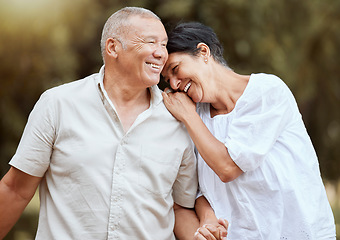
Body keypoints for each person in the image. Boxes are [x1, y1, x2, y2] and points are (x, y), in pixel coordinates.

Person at [0, 8, 228, 240]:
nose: (162, 53)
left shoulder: (178, 119)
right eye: (151, 42)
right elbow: (16, 189)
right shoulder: (58, 105)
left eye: (164, 44)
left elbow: (180, 207)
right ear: (113, 47)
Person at [161, 22, 336, 239]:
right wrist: (208, 218)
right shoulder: (196, 117)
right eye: (168, 80)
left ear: (203, 52)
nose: (175, 84)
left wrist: (188, 116)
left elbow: (228, 166)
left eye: (175, 69)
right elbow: (199, 189)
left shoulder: (266, 92)